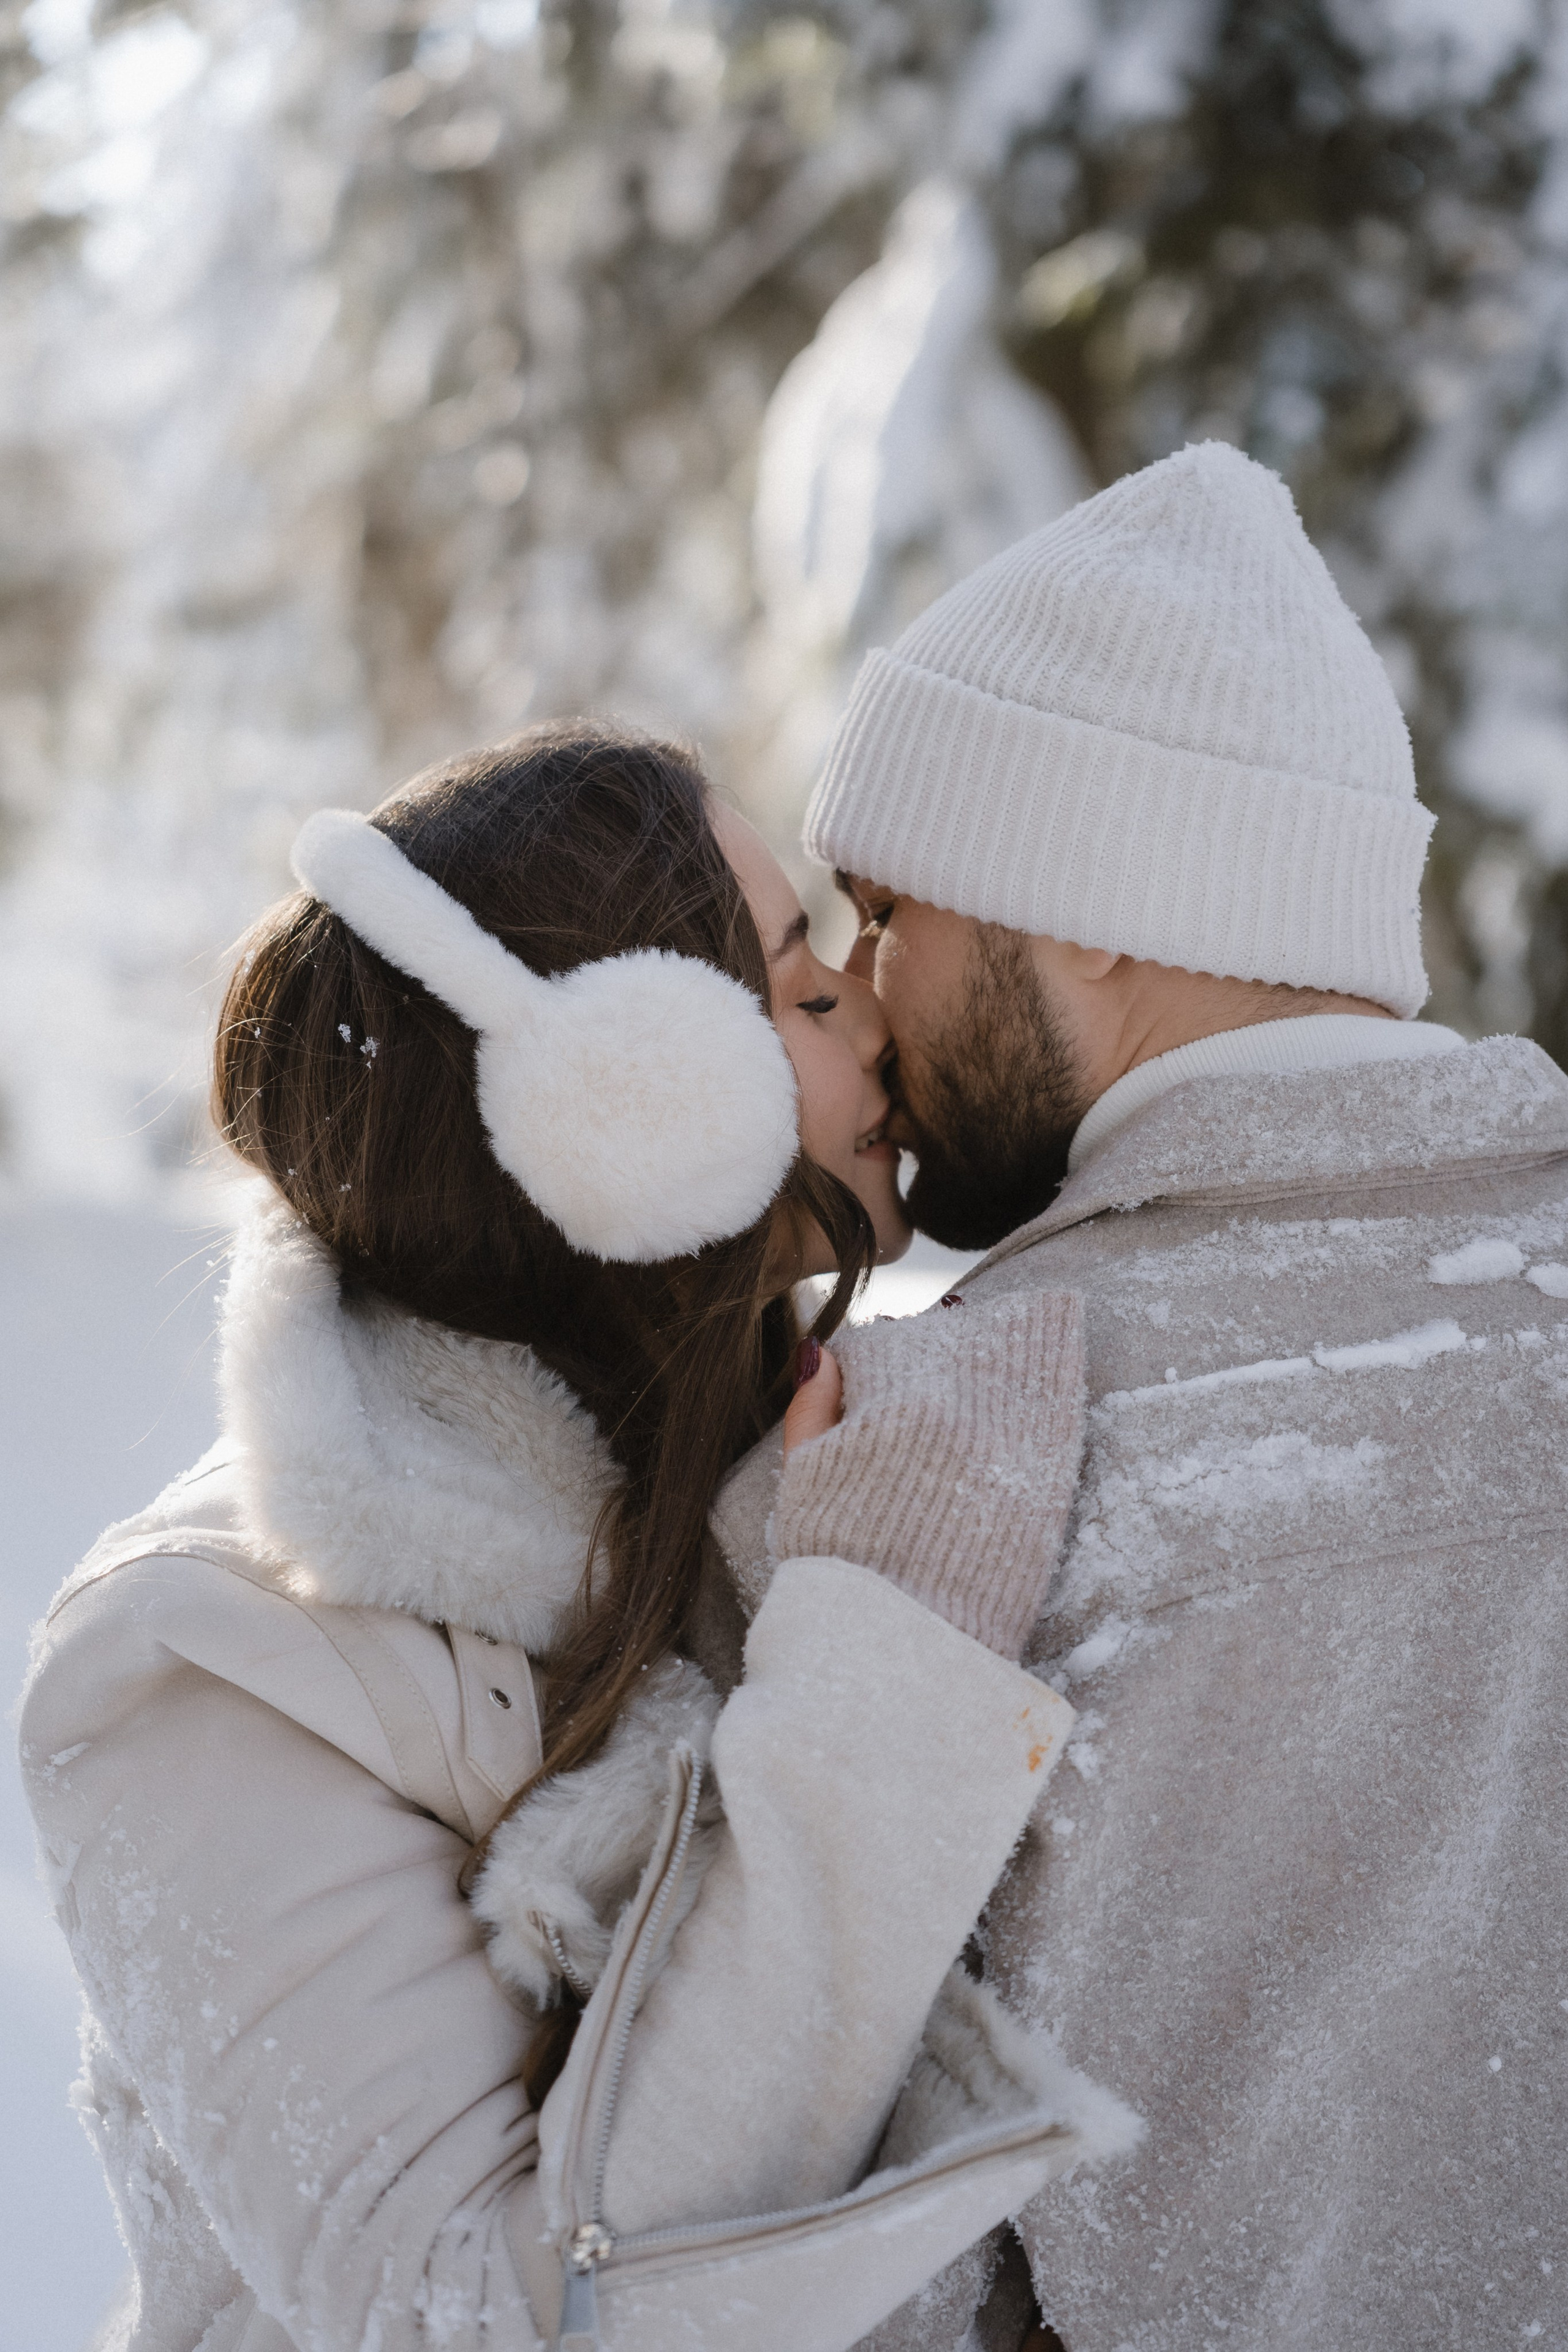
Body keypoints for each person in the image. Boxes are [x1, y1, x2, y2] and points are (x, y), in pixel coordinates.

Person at [20, 726, 1140, 2352]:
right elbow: (485, 2324)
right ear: (630, 1108)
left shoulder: (803, 1468)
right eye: (799, 983)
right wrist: (881, 1677)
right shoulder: (208, 1663)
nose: (875, 1012)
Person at [713, 443, 1568, 2351]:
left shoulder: (935, 1464)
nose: (865, 988)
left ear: (1090, 899)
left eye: (890, 908)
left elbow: (823, 2255)